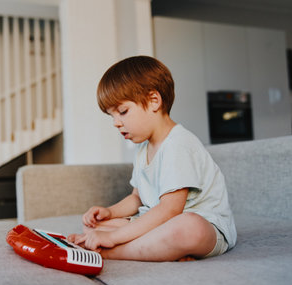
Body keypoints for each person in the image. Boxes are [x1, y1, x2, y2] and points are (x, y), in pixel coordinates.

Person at [67, 56, 237, 261]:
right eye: (112, 116)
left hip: (204, 227)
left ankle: (113, 252)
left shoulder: (178, 144)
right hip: (159, 221)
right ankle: (163, 249)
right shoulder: (143, 149)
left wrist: (113, 238)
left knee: (188, 227)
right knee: (92, 226)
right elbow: (137, 198)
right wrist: (109, 212)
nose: (116, 123)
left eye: (122, 111)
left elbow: (170, 210)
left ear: (154, 101)